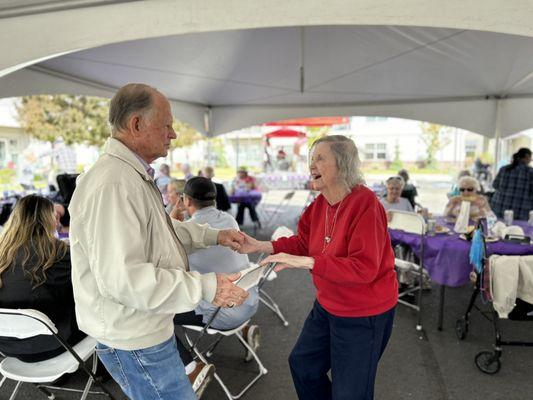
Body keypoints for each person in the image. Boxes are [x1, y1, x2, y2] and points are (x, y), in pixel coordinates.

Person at [68, 83, 249, 400]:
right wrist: (208, 288)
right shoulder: (113, 183)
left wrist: (214, 235)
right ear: (136, 124)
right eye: (166, 125)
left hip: (142, 329)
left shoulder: (129, 175)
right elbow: (124, 280)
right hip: (134, 337)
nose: (174, 134)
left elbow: (162, 232)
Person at [239, 135, 397, 400]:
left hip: (363, 312)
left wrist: (305, 262)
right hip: (328, 304)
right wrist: (261, 246)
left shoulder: (364, 204)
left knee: (350, 393)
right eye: (311, 159)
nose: (311, 164)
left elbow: (364, 268)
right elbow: (303, 242)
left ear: (343, 164)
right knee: (303, 366)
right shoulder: (319, 204)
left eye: (320, 158)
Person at [173, 177, 260, 360]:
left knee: (158, 312)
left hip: (223, 312)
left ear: (186, 200)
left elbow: (172, 265)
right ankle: (245, 331)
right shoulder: (229, 220)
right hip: (249, 301)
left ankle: (189, 366)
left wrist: (172, 225)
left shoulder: (187, 231)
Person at [0, 195, 85, 362]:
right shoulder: (58, 253)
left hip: (7, 347)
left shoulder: (3, 253)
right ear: (47, 218)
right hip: (54, 345)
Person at [490, 147, 533, 221]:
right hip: (521, 211)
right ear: (527, 156)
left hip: (499, 208)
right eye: (530, 157)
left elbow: (495, 185)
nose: (531, 160)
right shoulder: (530, 172)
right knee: (517, 232)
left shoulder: (504, 169)